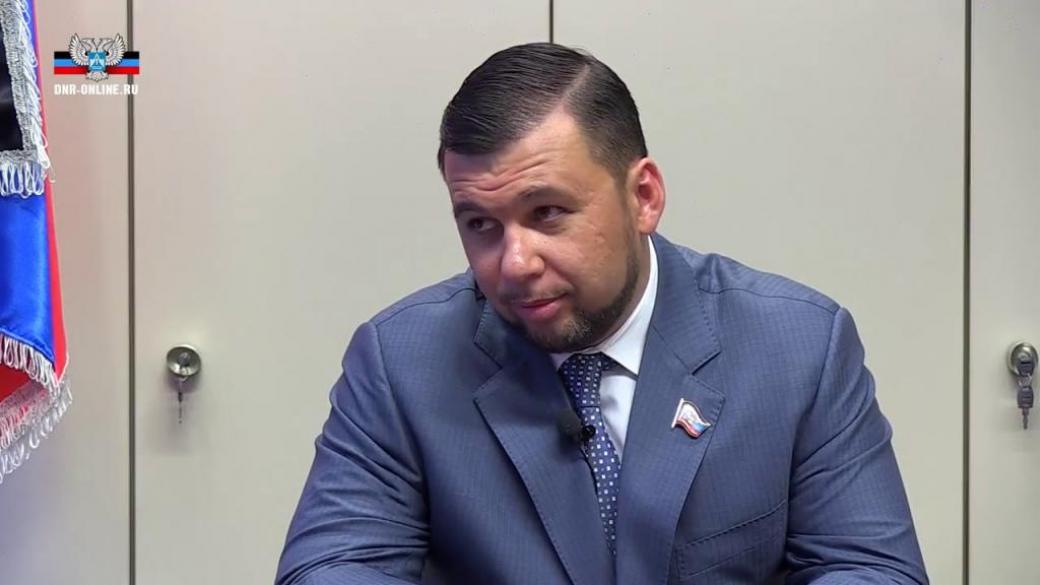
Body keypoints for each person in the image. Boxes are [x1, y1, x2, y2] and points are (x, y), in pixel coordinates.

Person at [275, 42, 928, 585]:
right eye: (479, 224)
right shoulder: (400, 362)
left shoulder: (798, 346)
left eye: (547, 213)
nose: (514, 263)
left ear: (643, 196)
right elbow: (332, 566)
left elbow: (870, 568)